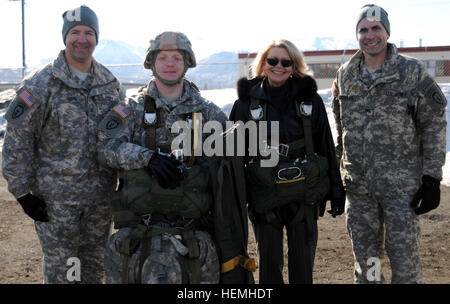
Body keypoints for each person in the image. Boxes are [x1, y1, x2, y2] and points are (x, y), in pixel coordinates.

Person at [98, 31, 253, 284]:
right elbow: (106, 148)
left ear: (187, 63)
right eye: (163, 58)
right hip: (139, 234)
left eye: (177, 58)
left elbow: (228, 167)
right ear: (152, 64)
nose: (170, 64)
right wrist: (147, 158)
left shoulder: (208, 112)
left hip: (195, 235)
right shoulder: (131, 109)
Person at [1, 5, 122, 284]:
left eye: (89, 33)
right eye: (75, 32)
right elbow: (17, 141)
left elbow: (120, 137)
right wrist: (22, 193)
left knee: (93, 273)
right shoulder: (40, 84)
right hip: (57, 205)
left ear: (97, 38)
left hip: (100, 203)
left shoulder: (110, 84)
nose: (82, 39)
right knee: (65, 274)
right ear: (65, 37)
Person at [332, 4, 447, 284]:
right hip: (360, 192)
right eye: (363, 30)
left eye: (375, 29)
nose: (369, 35)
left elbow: (433, 124)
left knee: (404, 262)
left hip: (402, 190)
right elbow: (340, 125)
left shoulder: (412, 72)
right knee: (368, 263)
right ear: (356, 34)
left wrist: (432, 178)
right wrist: (338, 174)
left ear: (387, 32)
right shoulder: (345, 74)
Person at [229, 39, 345, 284]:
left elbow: (325, 144)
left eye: (285, 61)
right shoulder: (246, 104)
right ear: (263, 64)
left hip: (304, 195)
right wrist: (232, 200)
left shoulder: (309, 101)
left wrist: (336, 190)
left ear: (294, 66)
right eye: (272, 60)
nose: (278, 66)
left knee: (302, 267)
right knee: (269, 268)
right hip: (263, 196)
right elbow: (233, 155)